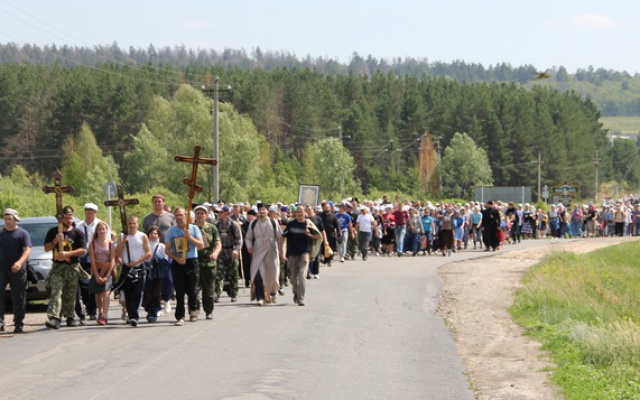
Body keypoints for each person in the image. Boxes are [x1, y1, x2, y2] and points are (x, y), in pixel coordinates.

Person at [44, 206, 89, 329]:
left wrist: (68, 254)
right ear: (61, 218)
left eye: (70, 218)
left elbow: (83, 250)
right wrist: (55, 241)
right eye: (66, 218)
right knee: (56, 291)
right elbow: (46, 248)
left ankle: (70, 316)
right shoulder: (53, 231)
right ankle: (54, 318)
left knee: (70, 293)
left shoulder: (77, 233)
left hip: (72, 267)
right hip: (57, 267)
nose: (69, 220)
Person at [165, 207, 205, 325]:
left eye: (181, 215)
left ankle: (193, 310)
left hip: (192, 262)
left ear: (186, 215)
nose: (179, 218)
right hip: (178, 263)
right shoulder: (171, 231)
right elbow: (167, 250)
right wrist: (177, 258)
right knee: (180, 291)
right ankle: (180, 316)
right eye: (177, 215)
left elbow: (201, 245)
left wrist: (190, 238)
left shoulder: (193, 228)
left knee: (192, 289)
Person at [142, 194, 176, 314]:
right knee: (153, 280)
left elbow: (175, 234)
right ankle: (155, 305)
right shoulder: (147, 218)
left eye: (159, 201)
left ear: (163, 202)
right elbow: (144, 235)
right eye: (155, 201)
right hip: (152, 253)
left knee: (167, 279)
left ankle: (167, 299)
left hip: (167, 252)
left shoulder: (171, 217)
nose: (157, 203)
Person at [280, 206, 320, 306]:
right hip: (292, 253)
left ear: (304, 213)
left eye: (301, 212)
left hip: (304, 253)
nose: (299, 214)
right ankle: (296, 292)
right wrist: (282, 251)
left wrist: (309, 234)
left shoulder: (309, 224)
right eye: (297, 212)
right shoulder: (290, 224)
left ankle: (301, 298)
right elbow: (283, 237)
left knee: (302, 276)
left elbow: (318, 236)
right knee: (292, 277)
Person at [115, 215, 151, 327]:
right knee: (128, 293)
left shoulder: (142, 236)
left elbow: (148, 253)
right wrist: (123, 242)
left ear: (137, 224)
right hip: (127, 268)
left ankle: (135, 316)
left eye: (134, 223)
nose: (132, 225)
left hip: (139, 267)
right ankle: (130, 316)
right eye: (130, 223)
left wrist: (137, 261)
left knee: (137, 292)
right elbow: (116, 253)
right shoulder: (122, 236)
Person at [0, 208, 32, 333]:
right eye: (6, 219)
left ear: (15, 220)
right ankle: (0, 322)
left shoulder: (22, 233)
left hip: (18, 270)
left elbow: (27, 250)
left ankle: (18, 324)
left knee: (19, 297)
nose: (7, 221)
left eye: (10, 219)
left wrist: (19, 262)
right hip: (2, 269)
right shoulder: (1, 233)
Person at [245, 203, 282, 306]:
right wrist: (249, 246)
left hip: (271, 251)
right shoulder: (253, 223)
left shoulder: (273, 222)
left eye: (263, 209)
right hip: (258, 251)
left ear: (267, 211)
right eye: (260, 209)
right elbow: (248, 238)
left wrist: (281, 251)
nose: (261, 211)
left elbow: (280, 237)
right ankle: (260, 297)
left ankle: (273, 292)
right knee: (257, 275)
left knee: (273, 275)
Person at [76, 202, 106, 323]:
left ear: (95, 214)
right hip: (82, 258)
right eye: (87, 213)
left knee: (93, 284)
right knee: (84, 284)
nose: (89, 215)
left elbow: (106, 241)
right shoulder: (79, 226)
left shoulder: (101, 225)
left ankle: (94, 310)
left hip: (97, 258)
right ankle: (87, 307)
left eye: (91, 213)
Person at [194, 205, 221, 319]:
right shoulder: (191, 228)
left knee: (208, 289)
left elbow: (218, 243)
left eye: (202, 213)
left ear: (206, 215)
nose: (200, 215)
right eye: (198, 213)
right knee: (194, 289)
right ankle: (194, 309)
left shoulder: (212, 228)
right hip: (194, 262)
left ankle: (208, 311)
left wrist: (215, 253)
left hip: (209, 263)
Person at [88, 221, 115, 326]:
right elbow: (92, 260)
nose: (102, 231)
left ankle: (105, 315)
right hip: (97, 270)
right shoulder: (92, 243)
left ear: (106, 230)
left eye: (103, 229)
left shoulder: (110, 243)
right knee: (98, 294)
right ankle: (100, 311)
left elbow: (112, 259)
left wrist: (108, 275)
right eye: (100, 229)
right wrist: (96, 275)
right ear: (97, 231)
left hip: (107, 269)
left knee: (106, 293)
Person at [214, 205, 243, 302]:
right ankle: (217, 293)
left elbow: (239, 239)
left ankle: (234, 294)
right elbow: (214, 238)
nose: (219, 214)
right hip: (221, 252)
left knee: (233, 274)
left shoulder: (234, 225)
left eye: (221, 212)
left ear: (227, 213)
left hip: (231, 252)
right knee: (219, 274)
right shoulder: (217, 225)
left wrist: (236, 249)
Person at [143, 226, 170, 322]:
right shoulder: (144, 244)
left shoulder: (162, 246)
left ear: (158, 235)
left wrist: (157, 258)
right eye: (151, 233)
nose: (153, 235)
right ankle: (149, 308)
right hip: (147, 270)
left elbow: (166, 258)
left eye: (155, 233)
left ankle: (153, 313)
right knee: (147, 291)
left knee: (156, 292)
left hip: (158, 271)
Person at [319, 202, 340, 267]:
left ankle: (329, 260)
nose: (327, 208)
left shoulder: (333, 216)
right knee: (323, 249)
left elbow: (337, 225)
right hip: (322, 234)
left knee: (331, 248)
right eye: (325, 207)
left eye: (328, 207)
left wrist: (339, 233)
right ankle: (326, 259)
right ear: (323, 208)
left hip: (331, 235)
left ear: (330, 208)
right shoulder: (320, 215)